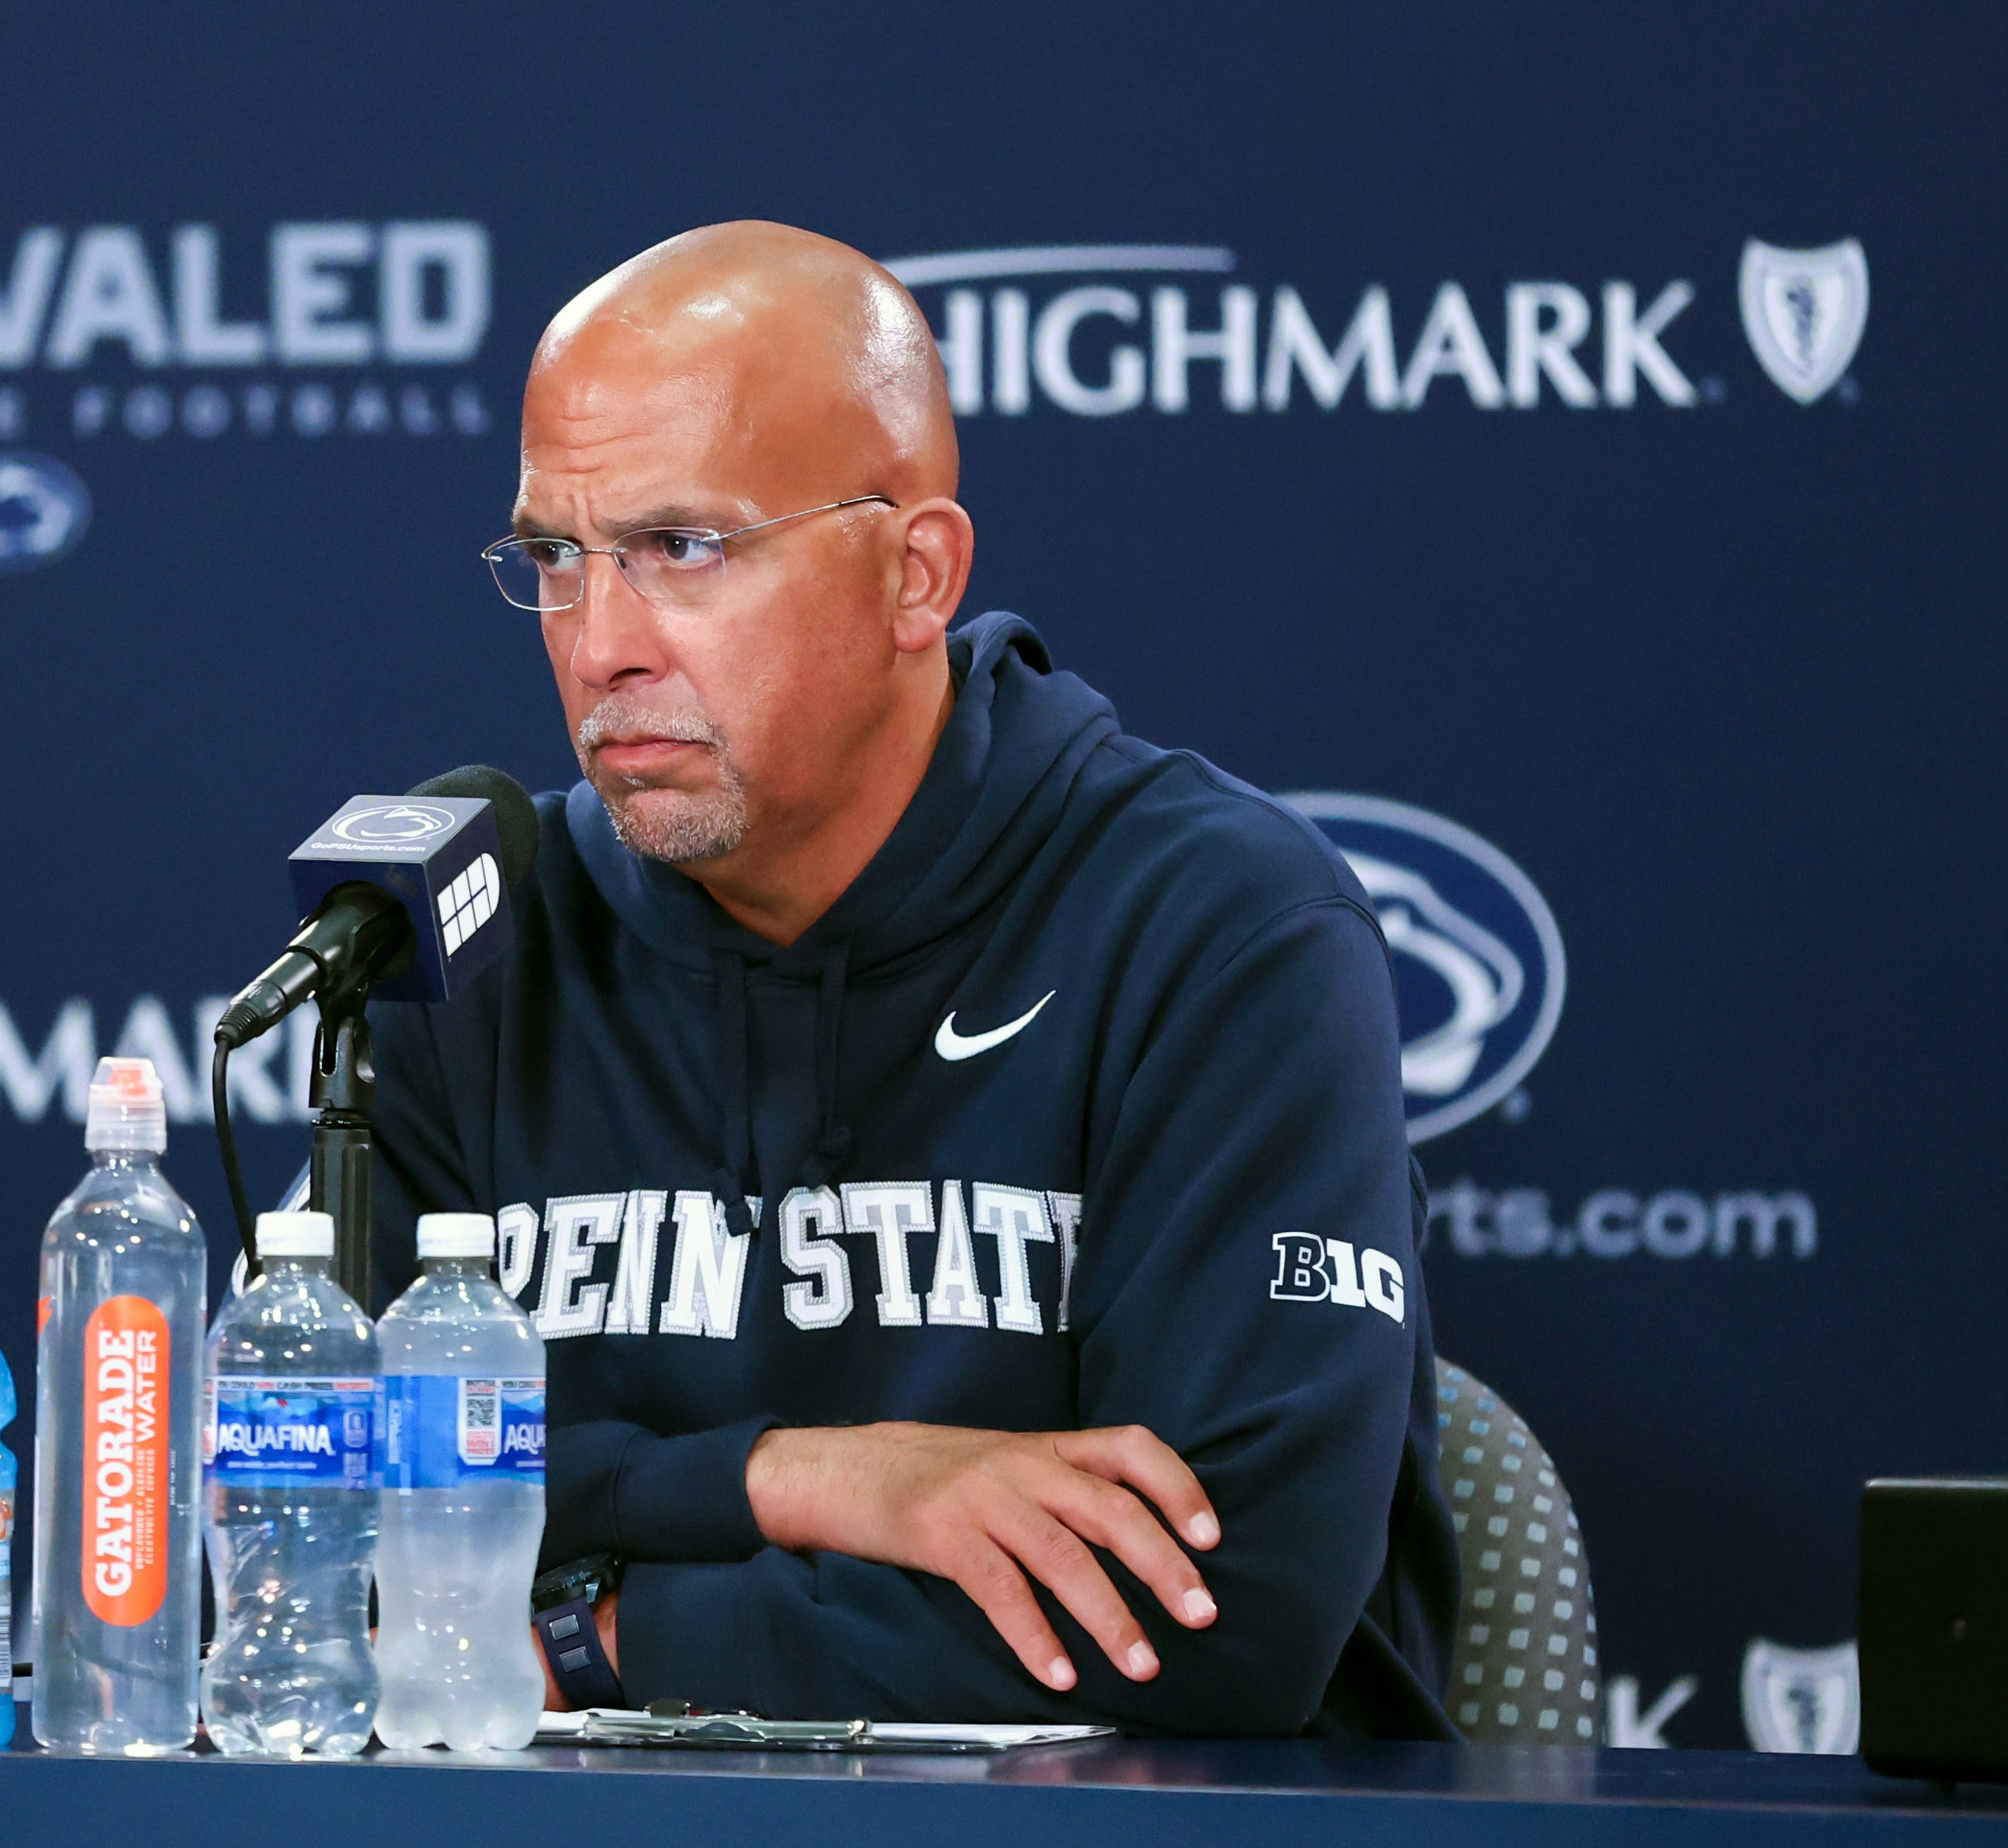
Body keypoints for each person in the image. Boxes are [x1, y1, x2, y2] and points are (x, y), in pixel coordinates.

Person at [366, 220, 1458, 1736]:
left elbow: (1213, 1616)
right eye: (557, 557)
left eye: (683, 548)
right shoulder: (475, 932)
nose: (599, 643)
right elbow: (328, 1542)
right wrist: (798, 1474)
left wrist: (602, 1636)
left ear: (912, 573)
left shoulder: (1214, 927)